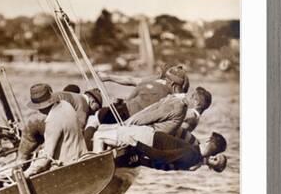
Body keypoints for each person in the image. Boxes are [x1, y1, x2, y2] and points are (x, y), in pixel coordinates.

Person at [84, 65, 189, 146]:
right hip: (138, 123)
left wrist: (107, 77)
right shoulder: (175, 99)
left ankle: (85, 144)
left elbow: (130, 82)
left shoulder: (154, 83)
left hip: (128, 116)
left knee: (94, 118)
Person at [93, 124, 227, 172]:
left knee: (99, 135)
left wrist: (137, 145)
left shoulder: (191, 154)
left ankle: (94, 170)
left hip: (145, 138)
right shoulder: (194, 152)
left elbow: (162, 157)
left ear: (208, 140)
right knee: (104, 130)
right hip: (148, 136)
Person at [22, 83, 87, 177]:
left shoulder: (52, 121)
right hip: (81, 157)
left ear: (40, 108)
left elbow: (46, 157)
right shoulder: (66, 105)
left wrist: (26, 174)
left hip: (67, 167)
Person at [125, 86, 212, 135]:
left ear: (197, 104)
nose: (188, 97)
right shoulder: (195, 118)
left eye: (192, 96)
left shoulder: (190, 114)